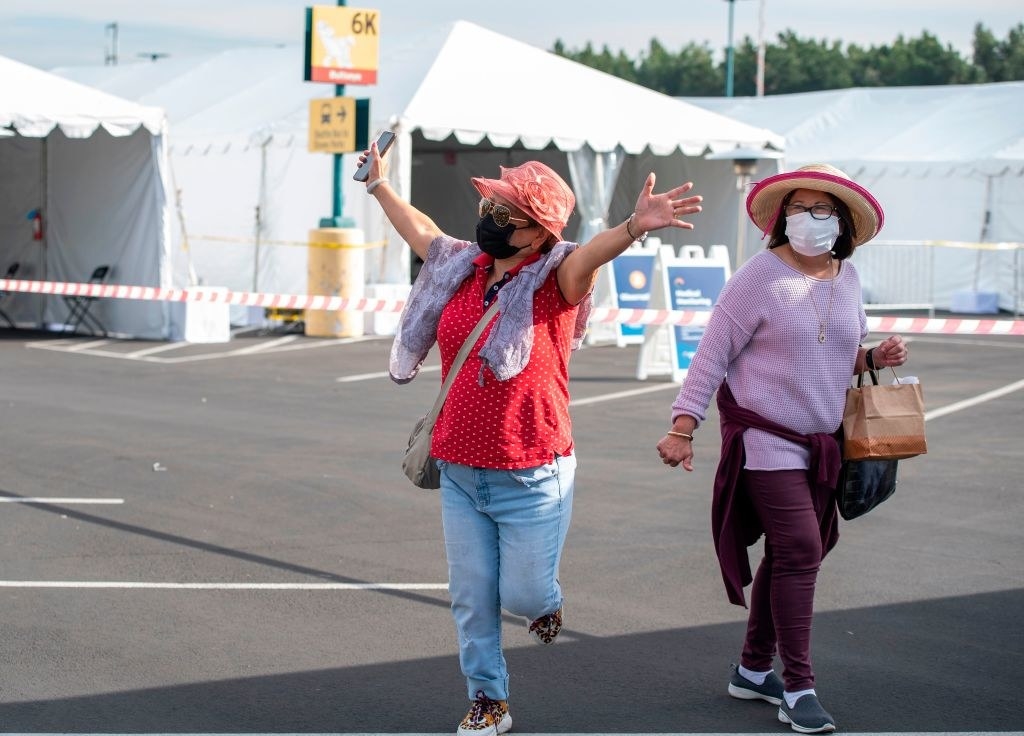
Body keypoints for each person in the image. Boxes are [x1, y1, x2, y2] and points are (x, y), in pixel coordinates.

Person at [358, 140, 702, 736]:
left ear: (539, 233)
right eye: (493, 206)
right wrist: (379, 185)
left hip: (533, 471)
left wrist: (632, 228)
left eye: (508, 217)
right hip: (460, 468)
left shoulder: (556, 279)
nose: (490, 220)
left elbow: (588, 256)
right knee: (471, 596)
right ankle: (488, 699)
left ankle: (547, 604)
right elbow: (421, 228)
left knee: (525, 596)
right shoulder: (459, 264)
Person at [656, 164, 908, 734]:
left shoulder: (848, 278)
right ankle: (798, 686)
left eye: (823, 210)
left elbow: (836, 353)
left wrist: (874, 360)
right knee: (799, 548)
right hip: (766, 438)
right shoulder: (756, 277)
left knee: (796, 553)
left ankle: (750, 671)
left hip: (824, 442)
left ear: (841, 222)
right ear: (782, 218)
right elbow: (712, 353)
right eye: (799, 208)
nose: (810, 219)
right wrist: (682, 425)